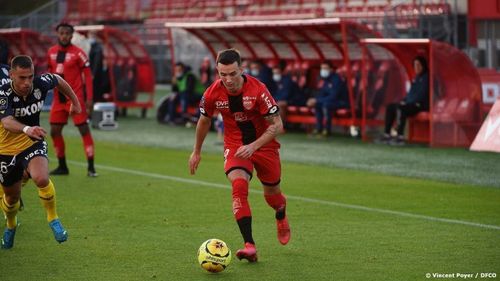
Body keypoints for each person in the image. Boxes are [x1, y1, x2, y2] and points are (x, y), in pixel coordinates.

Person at [189, 49, 291, 263]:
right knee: (239, 187)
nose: (228, 79)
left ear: (241, 70)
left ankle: (281, 213)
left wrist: (254, 146)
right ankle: (250, 245)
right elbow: (204, 120)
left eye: (232, 74)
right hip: (235, 145)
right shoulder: (212, 93)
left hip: (264, 145)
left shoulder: (258, 90)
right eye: (222, 74)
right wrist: (196, 151)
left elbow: (277, 125)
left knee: (273, 195)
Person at [0, 55, 82, 249]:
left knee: (42, 178)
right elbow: (6, 122)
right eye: (22, 78)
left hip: (32, 142)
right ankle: (11, 225)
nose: (27, 82)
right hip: (5, 150)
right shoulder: (3, 94)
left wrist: (75, 101)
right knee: (11, 198)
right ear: (11, 75)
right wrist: (27, 128)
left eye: (30, 76)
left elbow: (58, 79)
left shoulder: (39, 84)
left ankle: (53, 219)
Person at [47, 22, 97, 177]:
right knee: (54, 132)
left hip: (75, 99)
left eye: (67, 33)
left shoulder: (79, 53)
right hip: (58, 99)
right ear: (57, 34)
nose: (64, 36)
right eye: (61, 33)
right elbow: (50, 73)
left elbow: (88, 77)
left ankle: (91, 167)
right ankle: (63, 166)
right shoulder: (51, 52)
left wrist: (89, 98)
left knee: (83, 129)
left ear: (72, 35)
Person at [379, 56, 429, 145]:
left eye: (418, 65)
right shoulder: (417, 78)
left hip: (420, 105)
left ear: (423, 65)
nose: (416, 67)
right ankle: (387, 134)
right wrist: (404, 100)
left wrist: (406, 102)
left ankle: (400, 136)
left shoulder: (427, 78)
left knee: (400, 108)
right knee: (391, 107)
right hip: (410, 104)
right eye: (415, 65)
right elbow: (410, 93)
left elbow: (421, 95)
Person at [307, 61, 349, 137]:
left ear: (331, 69)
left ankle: (327, 130)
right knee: (317, 104)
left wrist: (317, 100)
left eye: (325, 68)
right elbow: (322, 94)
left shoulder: (337, 79)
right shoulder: (326, 80)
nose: (323, 70)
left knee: (326, 105)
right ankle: (319, 128)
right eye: (322, 68)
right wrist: (314, 100)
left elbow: (334, 96)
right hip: (330, 101)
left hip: (341, 102)